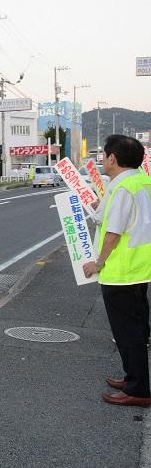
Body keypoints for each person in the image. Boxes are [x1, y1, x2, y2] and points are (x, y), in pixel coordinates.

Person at [83, 135, 151, 407]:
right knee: (136, 328)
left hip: (122, 271)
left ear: (113, 158)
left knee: (128, 332)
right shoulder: (143, 181)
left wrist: (97, 263)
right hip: (141, 268)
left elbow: (114, 232)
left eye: (104, 154)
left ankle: (138, 389)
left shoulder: (123, 187)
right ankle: (132, 378)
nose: (102, 159)